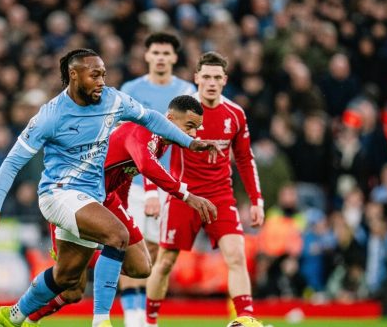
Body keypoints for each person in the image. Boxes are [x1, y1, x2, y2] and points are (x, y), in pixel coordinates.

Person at [0, 49, 219, 327]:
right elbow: (11, 162)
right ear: (74, 75)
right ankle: (101, 320)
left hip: (96, 196)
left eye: (104, 74)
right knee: (117, 235)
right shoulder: (50, 116)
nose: (102, 81)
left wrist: (190, 143)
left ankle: (16, 315)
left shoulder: (113, 99)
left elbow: (152, 117)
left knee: (68, 280)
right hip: (59, 193)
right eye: (95, 75)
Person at [23, 95, 217, 326]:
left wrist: (121, 213)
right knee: (72, 290)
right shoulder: (144, 130)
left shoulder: (162, 143)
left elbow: (123, 176)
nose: (193, 135)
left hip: (108, 199)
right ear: (170, 119)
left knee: (142, 267)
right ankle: (32, 317)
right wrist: (186, 195)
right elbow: (145, 166)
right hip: (78, 198)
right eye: (189, 126)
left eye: (196, 128)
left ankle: (83, 260)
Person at [145, 51, 265, 327]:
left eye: (216, 77)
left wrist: (256, 200)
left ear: (225, 80)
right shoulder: (180, 112)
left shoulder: (235, 114)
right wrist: (152, 192)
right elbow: (151, 151)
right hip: (183, 196)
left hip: (221, 196)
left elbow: (245, 159)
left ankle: (245, 318)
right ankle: (149, 322)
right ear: (197, 77)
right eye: (206, 77)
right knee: (164, 262)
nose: (211, 82)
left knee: (236, 255)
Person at [118, 32, 196, 327]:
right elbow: (126, 138)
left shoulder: (188, 91)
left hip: (172, 183)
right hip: (134, 182)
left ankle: (145, 316)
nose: (161, 57)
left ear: (174, 58)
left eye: (167, 53)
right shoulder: (131, 89)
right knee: (129, 246)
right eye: (156, 52)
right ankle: (133, 317)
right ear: (147, 56)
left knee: (155, 251)